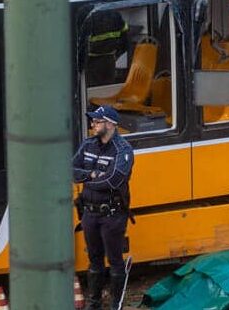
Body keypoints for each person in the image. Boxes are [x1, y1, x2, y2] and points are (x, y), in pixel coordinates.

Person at [73, 105, 134, 310]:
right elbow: (70, 169)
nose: (93, 124)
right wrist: (90, 175)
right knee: (94, 259)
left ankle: (116, 304)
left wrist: (87, 180)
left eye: (97, 121)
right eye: (93, 121)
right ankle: (94, 303)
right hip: (89, 213)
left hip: (112, 215)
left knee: (115, 260)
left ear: (110, 124)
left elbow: (113, 180)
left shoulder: (123, 150)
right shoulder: (88, 144)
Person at [85, 9, 129, 87]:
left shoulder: (89, 16)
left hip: (92, 60)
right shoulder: (115, 14)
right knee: (108, 88)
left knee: (93, 89)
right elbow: (125, 38)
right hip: (109, 58)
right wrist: (117, 53)